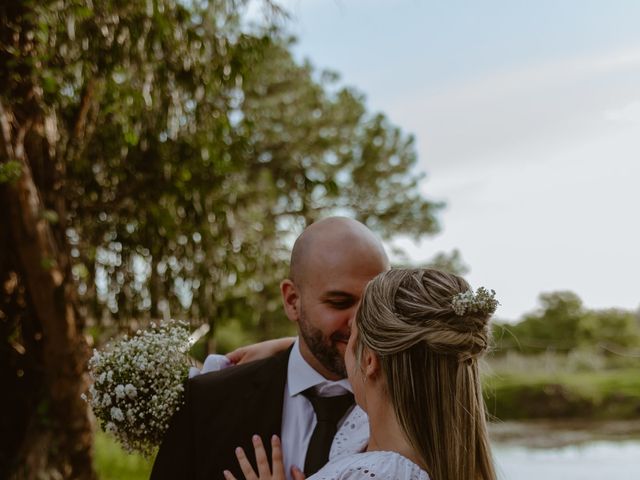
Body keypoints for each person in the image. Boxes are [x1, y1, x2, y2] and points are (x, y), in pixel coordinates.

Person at [150, 217, 390, 480]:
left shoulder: (413, 403)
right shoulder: (209, 399)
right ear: (292, 301)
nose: (360, 323)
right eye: (339, 302)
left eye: (373, 303)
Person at [224, 268, 498, 480]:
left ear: (369, 360)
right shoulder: (410, 443)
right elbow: (420, 350)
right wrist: (290, 349)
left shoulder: (372, 473)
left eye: (351, 336)